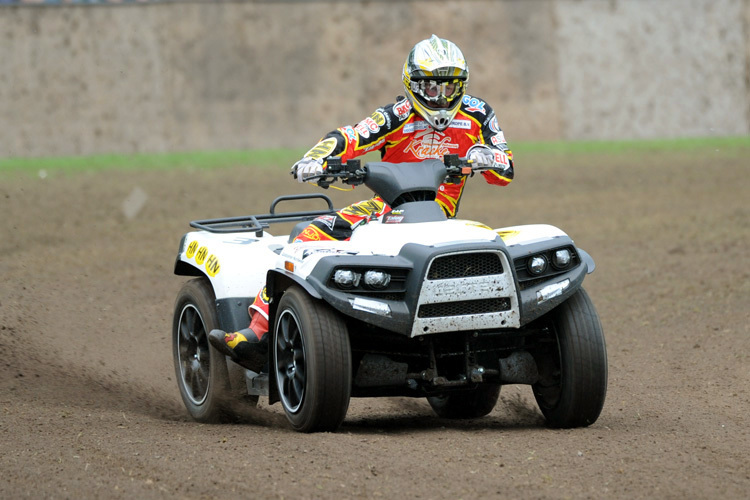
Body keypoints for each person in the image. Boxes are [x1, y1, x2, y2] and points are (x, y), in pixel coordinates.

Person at [209, 34, 515, 372]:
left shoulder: (479, 113)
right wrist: (316, 159)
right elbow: (350, 136)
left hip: (441, 218)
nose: (441, 98)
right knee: (310, 235)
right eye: (431, 88)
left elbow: (505, 173)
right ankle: (258, 333)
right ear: (413, 84)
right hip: (388, 209)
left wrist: (486, 156)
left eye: (449, 88)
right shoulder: (396, 115)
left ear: (462, 86)